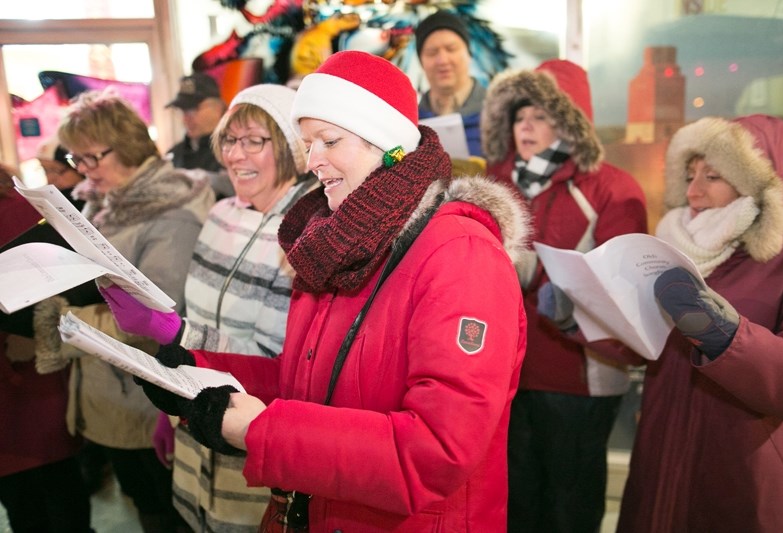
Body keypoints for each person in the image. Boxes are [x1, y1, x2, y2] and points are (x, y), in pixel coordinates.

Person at [130, 50, 532, 531]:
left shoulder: (460, 256)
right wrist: (201, 371)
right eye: (307, 142)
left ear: (388, 145)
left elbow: (437, 450)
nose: (312, 159)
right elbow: (308, 380)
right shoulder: (334, 243)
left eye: (329, 140)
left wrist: (257, 432)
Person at [100, 83, 318, 532]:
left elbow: (275, 357)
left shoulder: (308, 232)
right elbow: (202, 314)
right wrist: (172, 404)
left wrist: (173, 333)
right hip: (195, 427)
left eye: (254, 141)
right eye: (230, 141)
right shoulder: (221, 215)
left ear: (292, 149)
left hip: (249, 442)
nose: (237, 156)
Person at [31, 89, 215, 533]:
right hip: (112, 389)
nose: (86, 173)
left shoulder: (171, 212)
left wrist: (59, 322)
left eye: (92, 158)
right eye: (77, 161)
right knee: (143, 502)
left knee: (164, 510)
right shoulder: (103, 199)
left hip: (145, 395)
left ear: (128, 145)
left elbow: (156, 315)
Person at [481, 59, 648, 533]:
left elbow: (627, 297)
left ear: (571, 119)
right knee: (513, 505)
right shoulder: (494, 183)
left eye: (541, 114)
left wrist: (545, 278)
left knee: (569, 509)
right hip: (504, 377)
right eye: (518, 115)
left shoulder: (612, 189)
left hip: (580, 378)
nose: (526, 125)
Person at [616, 114, 783, 532]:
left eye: (713, 176)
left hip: (741, 474)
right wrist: (581, 318)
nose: (693, 191)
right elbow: (646, 345)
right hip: (661, 460)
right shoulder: (676, 250)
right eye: (689, 174)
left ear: (756, 183)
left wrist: (727, 337)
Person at [0, 165, 93, 533]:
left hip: (31, 378)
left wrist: (37, 335)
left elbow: (63, 281)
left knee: (58, 495)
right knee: (23, 506)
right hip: (19, 382)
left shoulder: (16, 205)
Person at [415, 9, 486, 158]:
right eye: (432, 52)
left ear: (469, 54)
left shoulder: (499, 114)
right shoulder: (412, 123)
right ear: (421, 61)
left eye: (451, 49)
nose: (442, 60)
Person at [167, 72, 233, 199]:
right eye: (182, 111)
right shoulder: (173, 155)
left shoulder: (238, 151)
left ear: (219, 107)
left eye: (193, 109)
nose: (186, 118)